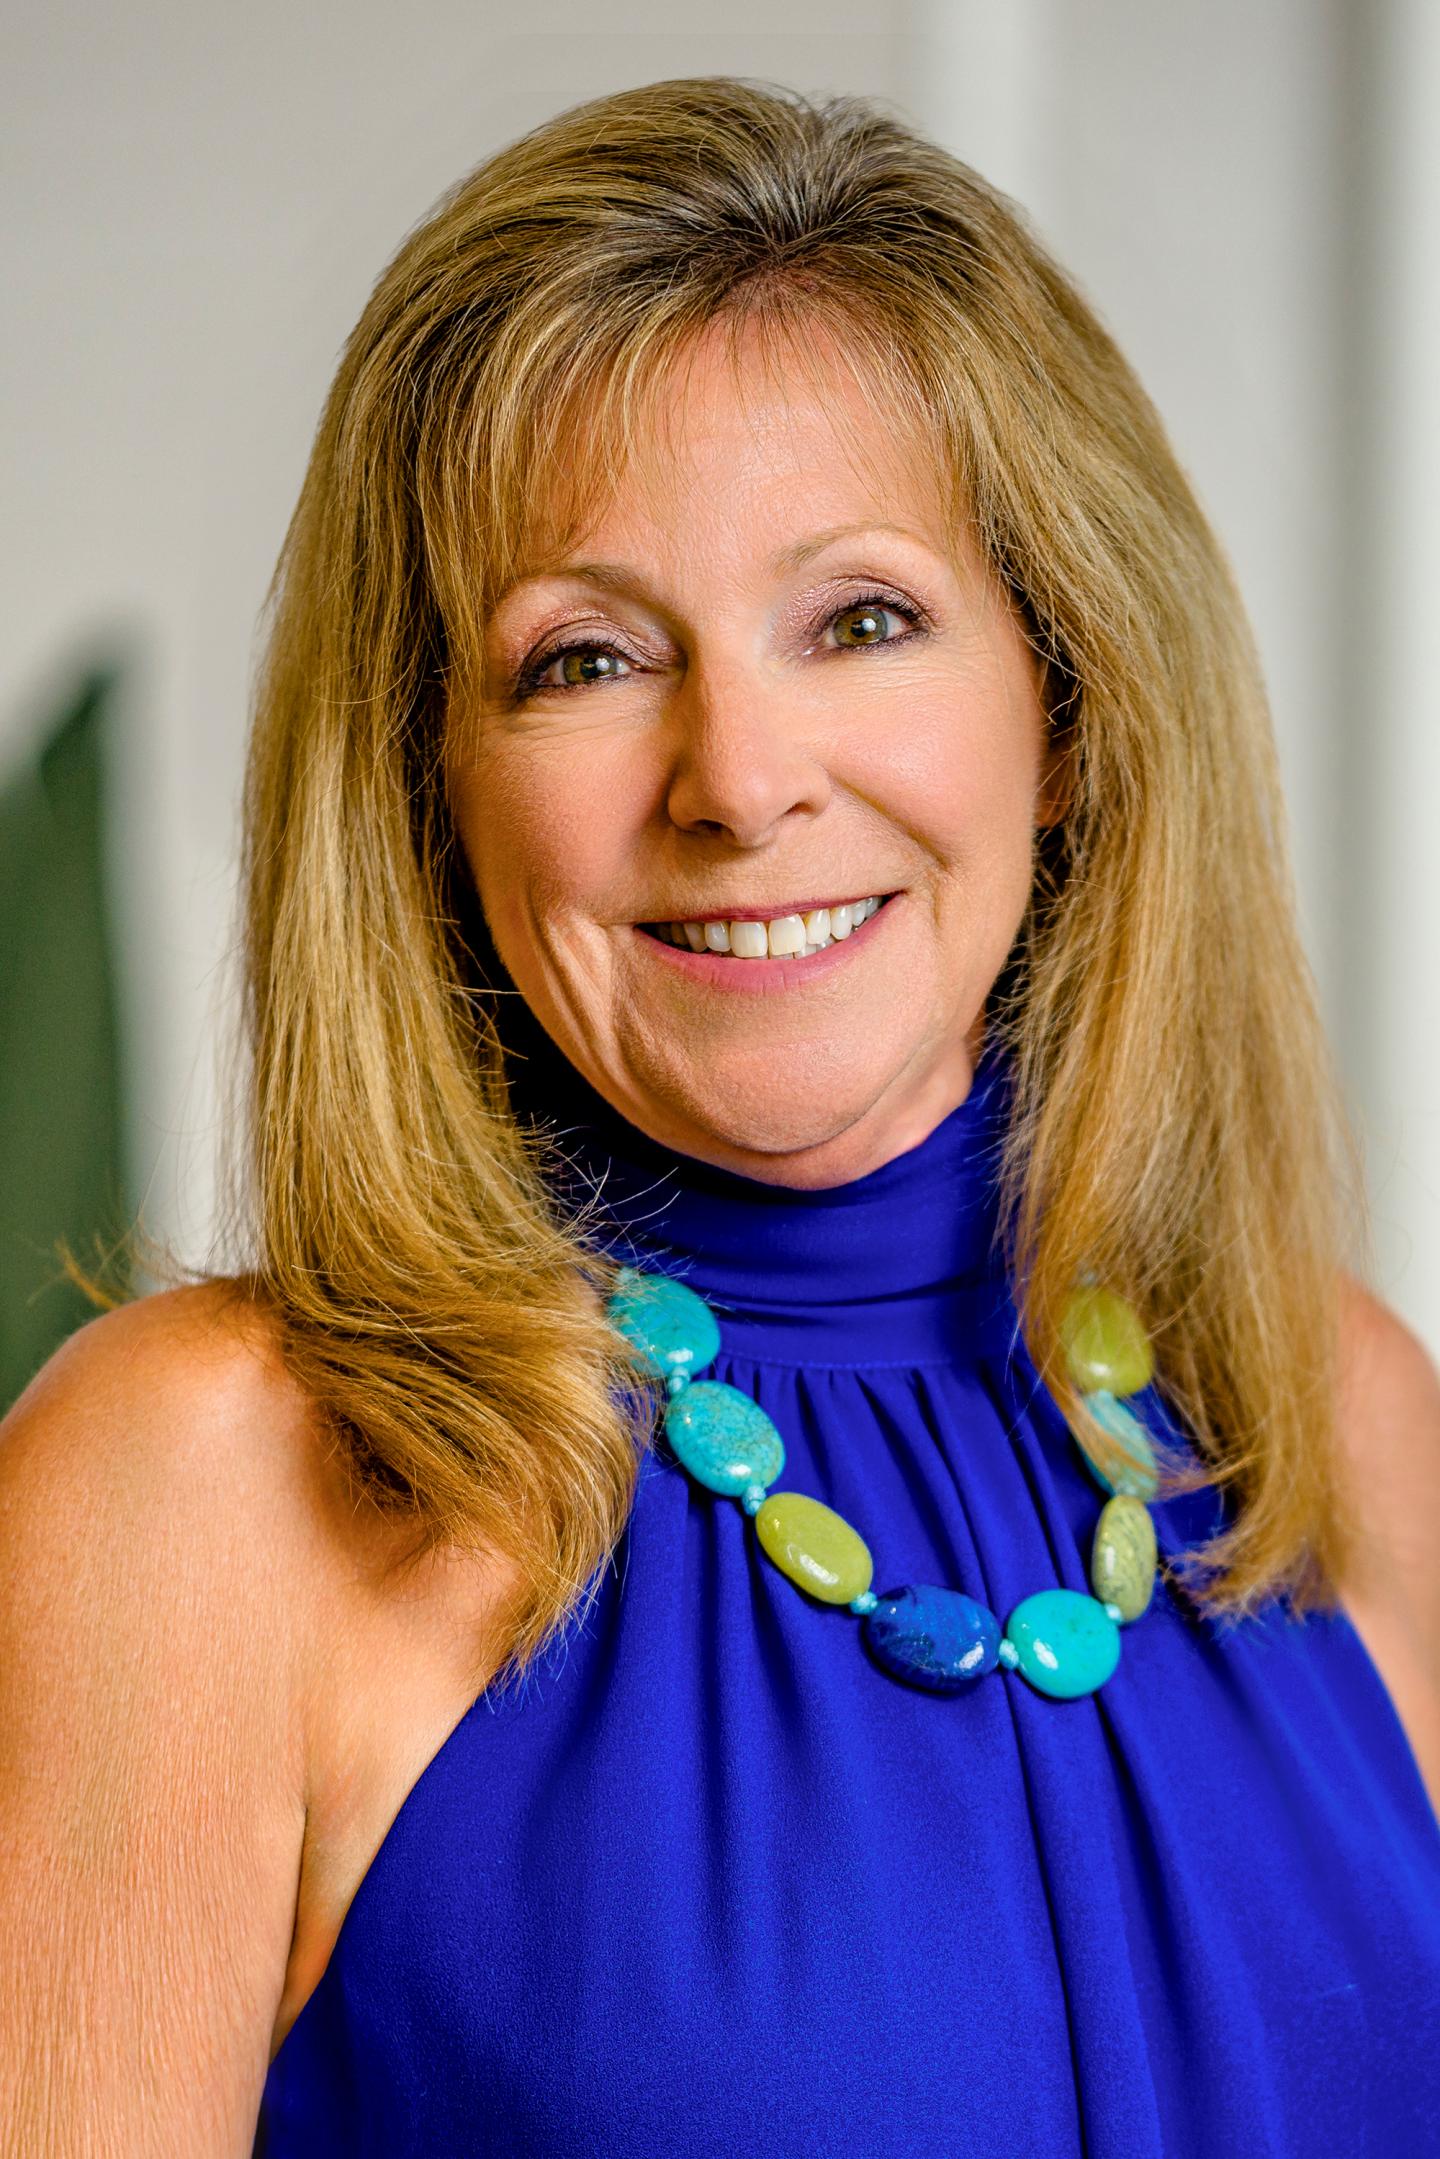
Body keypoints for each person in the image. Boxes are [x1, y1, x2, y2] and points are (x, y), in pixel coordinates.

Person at [3, 73, 1438, 2159]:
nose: (739, 779)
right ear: (428, 788)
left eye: (862, 618)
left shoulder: (1330, 1407)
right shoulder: (199, 1494)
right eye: (581, 658)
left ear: (1071, 701)